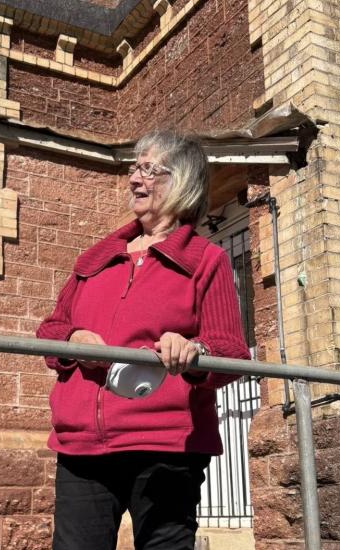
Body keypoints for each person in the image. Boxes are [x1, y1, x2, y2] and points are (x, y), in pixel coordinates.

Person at [36, 130, 251, 550]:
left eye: (149, 170)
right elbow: (51, 330)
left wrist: (194, 352)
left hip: (165, 444)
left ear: (182, 181)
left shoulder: (206, 259)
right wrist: (75, 338)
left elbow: (230, 351)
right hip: (82, 444)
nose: (135, 178)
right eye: (135, 168)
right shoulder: (96, 258)